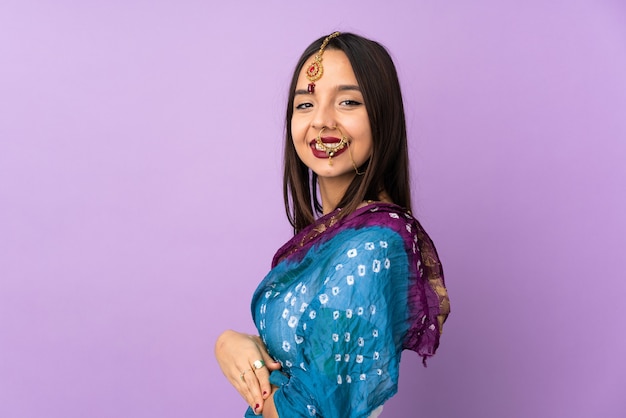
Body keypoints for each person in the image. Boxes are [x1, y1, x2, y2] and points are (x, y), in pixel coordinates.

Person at [215, 31, 450, 418]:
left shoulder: (373, 244)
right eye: (305, 104)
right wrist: (231, 343)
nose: (322, 121)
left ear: (383, 116)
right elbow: (316, 356)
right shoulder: (337, 235)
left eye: (348, 102)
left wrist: (255, 377)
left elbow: (311, 409)